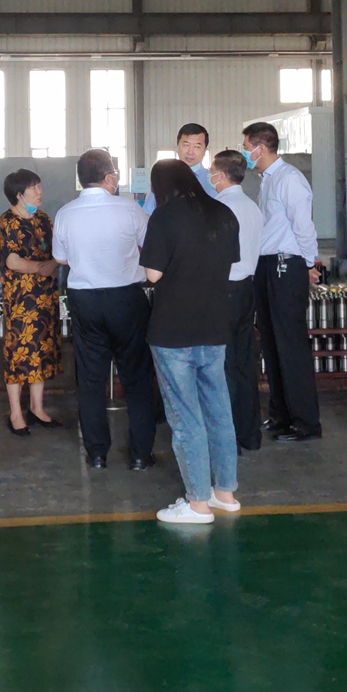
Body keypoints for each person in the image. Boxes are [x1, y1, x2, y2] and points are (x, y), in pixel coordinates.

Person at [140, 159, 241, 524]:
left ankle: (197, 503)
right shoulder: (224, 214)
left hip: (173, 330)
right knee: (219, 410)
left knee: (186, 417)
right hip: (214, 326)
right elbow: (229, 264)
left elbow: (153, 275)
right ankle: (225, 493)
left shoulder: (164, 217)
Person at [52, 149, 155, 470]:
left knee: (91, 378)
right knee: (136, 376)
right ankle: (140, 454)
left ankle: (97, 453)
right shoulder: (130, 209)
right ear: (110, 177)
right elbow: (151, 246)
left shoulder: (65, 213)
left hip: (84, 300)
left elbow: (60, 258)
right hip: (126, 299)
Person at [242, 122, 321, 443]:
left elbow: (304, 226)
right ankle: (281, 415)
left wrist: (309, 263)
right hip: (267, 266)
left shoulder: (289, 179)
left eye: (247, 148)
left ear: (261, 148)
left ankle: (306, 422)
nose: (245, 154)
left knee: (290, 345)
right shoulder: (268, 180)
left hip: (286, 266)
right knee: (272, 344)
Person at [0, 169, 62, 436]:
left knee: (42, 350)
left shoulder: (44, 219)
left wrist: (53, 263)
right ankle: (15, 412)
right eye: (33, 188)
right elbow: (12, 260)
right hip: (21, 301)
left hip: (46, 297)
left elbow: (59, 250)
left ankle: (37, 407)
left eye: (39, 186)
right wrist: (41, 267)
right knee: (19, 353)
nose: (39, 192)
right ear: (19, 195)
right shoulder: (8, 221)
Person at [209, 150, 263, 455]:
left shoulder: (220, 209)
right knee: (244, 363)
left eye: (212, 172)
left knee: (223, 366)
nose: (210, 177)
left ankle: (227, 438)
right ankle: (249, 433)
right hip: (246, 289)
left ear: (221, 175)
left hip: (223, 290)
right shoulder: (251, 206)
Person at [143, 122, 215, 215]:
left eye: (197, 147)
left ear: (205, 151)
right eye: (186, 145)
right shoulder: (164, 179)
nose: (190, 152)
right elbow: (147, 213)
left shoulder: (213, 181)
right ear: (177, 147)